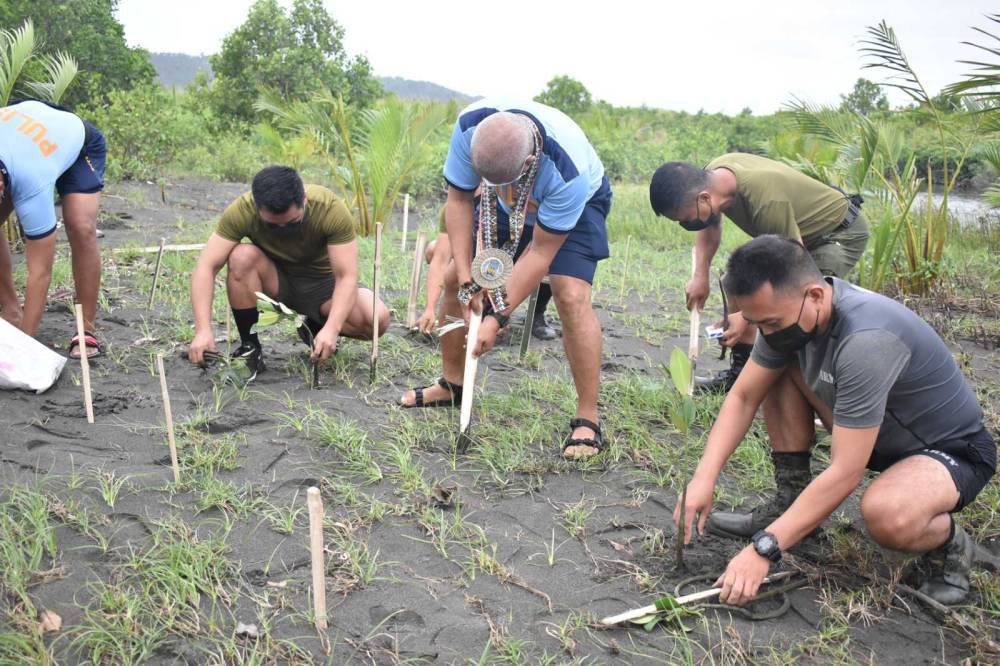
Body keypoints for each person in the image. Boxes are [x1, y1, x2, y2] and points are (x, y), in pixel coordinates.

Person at [674, 236, 995, 606]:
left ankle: (950, 548)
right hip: (872, 434)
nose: (766, 333)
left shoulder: (867, 340)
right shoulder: (782, 319)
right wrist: (704, 478)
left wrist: (764, 549)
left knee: (887, 514)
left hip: (948, 451)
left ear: (814, 294)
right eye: (755, 322)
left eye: (772, 322)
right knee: (775, 371)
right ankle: (789, 504)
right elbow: (744, 396)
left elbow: (845, 472)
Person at [399, 99, 612, 460]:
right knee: (453, 277)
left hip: (578, 202)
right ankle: (453, 384)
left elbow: (540, 253)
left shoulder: (567, 171)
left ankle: (588, 418)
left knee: (569, 293)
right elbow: (459, 201)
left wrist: (497, 317)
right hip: (502, 195)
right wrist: (469, 281)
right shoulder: (469, 127)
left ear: (528, 163)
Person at [649, 153, 870, 392]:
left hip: (836, 233)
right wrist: (700, 276)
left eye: (685, 220)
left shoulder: (767, 201)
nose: (686, 225)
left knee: (807, 307)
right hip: (792, 238)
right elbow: (710, 224)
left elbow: (792, 269)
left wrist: (747, 317)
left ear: (704, 199)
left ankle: (824, 389)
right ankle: (741, 377)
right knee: (735, 283)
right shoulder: (713, 180)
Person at [187, 166, 389, 379]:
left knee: (376, 318)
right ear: (257, 207)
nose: (284, 229)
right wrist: (202, 329)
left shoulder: (330, 209)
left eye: (292, 223)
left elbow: (346, 277)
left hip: (323, 288)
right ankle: (250, 350)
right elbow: (205, 267)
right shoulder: (242, 211)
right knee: (241, 256)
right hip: (277, 282)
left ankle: (315, 325)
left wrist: (332, 329)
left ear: (304, 200)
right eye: (274, 226)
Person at [0, 100, 107, 358]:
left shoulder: (31, 180)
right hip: (25, 125)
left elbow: (40, 272)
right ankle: (11, 310)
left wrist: (23, 348)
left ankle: (86, 329)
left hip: (76, 142)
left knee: (80, 226)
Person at [414, 205, 557, 340]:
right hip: (483, 255)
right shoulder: (455, 205)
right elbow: (440, 259)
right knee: (435, 251)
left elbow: (537, 256)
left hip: (524, 242)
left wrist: (500, 311)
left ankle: (536, 314)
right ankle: (479, 308)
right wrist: (430, 308)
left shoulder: (517, 200)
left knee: (551, 261)